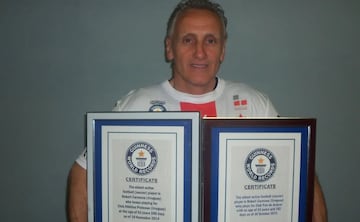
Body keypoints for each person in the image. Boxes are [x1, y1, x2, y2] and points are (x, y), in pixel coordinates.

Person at [67, 0, 327, 221]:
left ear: (223, 49)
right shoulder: (136, 106)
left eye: (210, 40)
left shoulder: (254, 103)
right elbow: (82, 172)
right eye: (188, 39)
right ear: (170, 47)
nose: (200, 52)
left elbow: (301, 169)